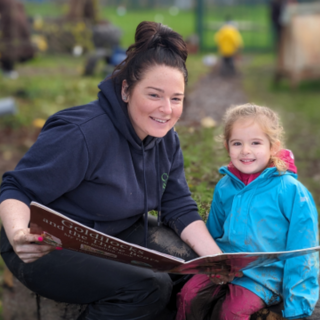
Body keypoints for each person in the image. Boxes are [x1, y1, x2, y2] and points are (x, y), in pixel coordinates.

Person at [0, 21, 233, 320]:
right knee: (149, 286)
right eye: (154, 95)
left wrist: (215, 259)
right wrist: (19, 234)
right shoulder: (83, 133)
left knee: (194, 272)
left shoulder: (165, 138)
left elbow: (178, 205)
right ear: (126, 90)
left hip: (115, 234)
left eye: (176, 99)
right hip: (46, 243)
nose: (166, 109)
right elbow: (16, 188)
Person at [176, 103, 319, 320]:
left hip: (265, 275)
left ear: (273, 147)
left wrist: (298, 305)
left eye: (255, 142)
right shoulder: (225, 187)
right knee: (188, 295)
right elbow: (213, 234)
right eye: (237, 143)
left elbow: (303, 249)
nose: (245, 150)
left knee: (232, 312)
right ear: (227, 146)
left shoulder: (291, 191)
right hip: (225, 266)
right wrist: (212, 263)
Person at [0, 0, 35, 79]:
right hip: (14, 25)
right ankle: (9, 69)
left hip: (10, 25)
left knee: (8, 44)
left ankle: (8, 70)